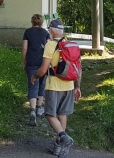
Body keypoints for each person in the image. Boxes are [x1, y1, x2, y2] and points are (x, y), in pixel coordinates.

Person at [31, 19, 81, 157]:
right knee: (62, 114)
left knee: (49, 114)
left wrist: (34, 77)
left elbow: (43, 69)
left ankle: (64, 137)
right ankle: (59, 146)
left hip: (54, 85)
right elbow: (78, 68)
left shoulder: (51, 45)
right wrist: (77, 86)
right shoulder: (71, 45)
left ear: (51, 31)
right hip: (69, 85)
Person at [22, 13, 50, 126]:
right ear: (41, 22)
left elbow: (24, 48)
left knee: (32, 84)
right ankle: (40, 107)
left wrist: (24, 62)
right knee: (42, 84)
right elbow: (48, 48)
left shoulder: (27, 32)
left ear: (32, 22)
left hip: (31, 63)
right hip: (43, 63)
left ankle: (32, 111)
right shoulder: (46, 33)